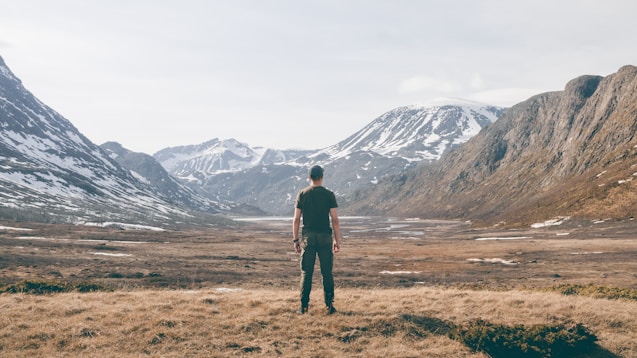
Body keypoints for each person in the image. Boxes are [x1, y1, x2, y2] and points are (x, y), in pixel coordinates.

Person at [292, 165, 341, 314]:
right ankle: (329, 306)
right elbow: (335, 220)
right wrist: (337, 241)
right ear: (322, 177)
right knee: (327, 273)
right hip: (325, 237)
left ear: (309, 178)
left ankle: (304, 307)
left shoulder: (302, 194)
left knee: (306, 273)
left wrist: (295, 240)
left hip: (308, 238)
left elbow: (296, 220)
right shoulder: (329, 194)